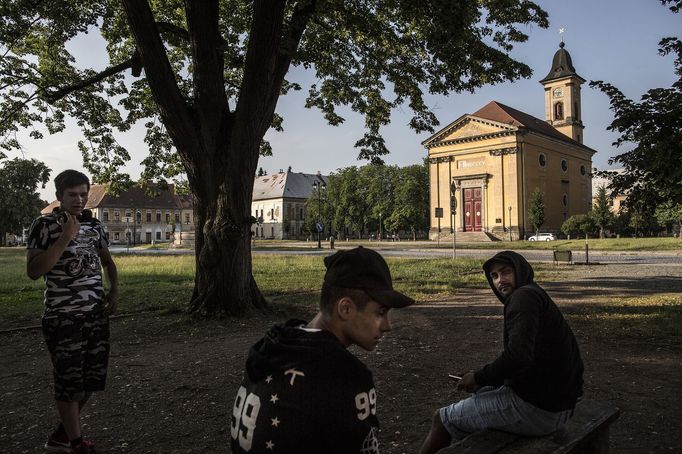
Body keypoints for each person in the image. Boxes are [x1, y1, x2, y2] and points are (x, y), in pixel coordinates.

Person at [230, 246, 415, 454]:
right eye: (380, 312)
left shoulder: (274, 346)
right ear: (345, 308)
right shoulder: (345, 375)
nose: (387, 325)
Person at [419, 251, 584, 453]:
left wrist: (479, 376)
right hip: (559, 404)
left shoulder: (522, 298)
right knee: (480, 394)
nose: (500, 280)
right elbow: (526, 361)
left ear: (519, 270)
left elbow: (518, 357)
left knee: (442, 419)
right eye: (494, 276)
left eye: (505, 272)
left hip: (540, 411)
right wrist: (481, 379)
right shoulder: (533, 293)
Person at [26, 170, 118, 454]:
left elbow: (107, 261)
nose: (79, 200)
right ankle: (76, 444)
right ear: (59, 197)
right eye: (72, 195)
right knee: (69, 383)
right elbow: (34, 271)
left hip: (95, 315)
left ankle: (60, 436)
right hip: (62, 317)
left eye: (83, 194)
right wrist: (66, 237)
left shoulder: (95, 226)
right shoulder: (44, 226)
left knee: (91, 381)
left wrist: (114, 290)